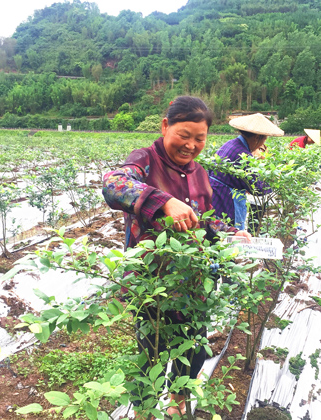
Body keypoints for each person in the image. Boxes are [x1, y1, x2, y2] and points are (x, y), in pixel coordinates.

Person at [102, 96, 250, 417]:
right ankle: (144, 411)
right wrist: (164, 201)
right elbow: (114, 185)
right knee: (151, 358)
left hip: (195, 284)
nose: (191, 145)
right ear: (165, 126)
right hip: (153, 285)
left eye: (200, 138)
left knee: (195, 351)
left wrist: (228, 233)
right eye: (184, 135)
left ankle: (177, 407)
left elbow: (206, 220)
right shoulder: (146, 160)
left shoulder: (198, 173)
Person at [209, 113, 284, 231]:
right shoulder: (244, 155)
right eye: (264, 139)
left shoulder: (230, 144)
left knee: (216, 229)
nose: (263, 144)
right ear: (256, 138)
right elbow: (258, 189)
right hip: (226, 199)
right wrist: (274, 179)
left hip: (215, 193)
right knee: (228, 235)